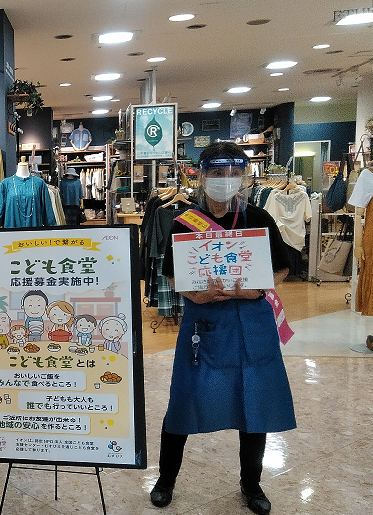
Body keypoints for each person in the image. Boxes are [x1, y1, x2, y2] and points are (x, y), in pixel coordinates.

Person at [150, 142, 295, 515]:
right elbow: (172, 275)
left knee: (254, 405)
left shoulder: (259, 218)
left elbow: (281, 268)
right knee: (183, 402)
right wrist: (196, 295)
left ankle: (251, 484)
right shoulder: (185, 221)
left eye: (233, 173)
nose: (225, 180)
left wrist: (255, 289)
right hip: (204, 325)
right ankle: (165, 480)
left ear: (243, 177)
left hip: (252, 326)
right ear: (201, 176)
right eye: (217, 173)